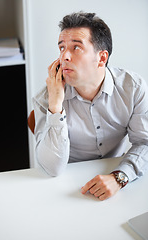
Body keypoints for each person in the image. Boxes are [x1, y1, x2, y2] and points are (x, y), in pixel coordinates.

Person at [32, 12, 148, 201]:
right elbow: (51, 168)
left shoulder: (133, 88)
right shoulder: (46, 97)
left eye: (76, 47)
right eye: (61, 48)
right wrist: (55, 107)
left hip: (116, 176)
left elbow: (145, 142)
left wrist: (120, 176)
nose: (64, 56)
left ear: (101, 58)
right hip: (66, 186)